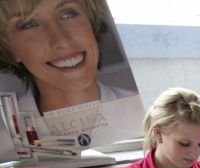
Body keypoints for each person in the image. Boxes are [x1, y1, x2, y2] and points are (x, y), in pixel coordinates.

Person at [0, 0, 136, 141]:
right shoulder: (3, 139)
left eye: (68, 14)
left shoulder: (145, 107)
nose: (62, 41)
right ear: (8, 48)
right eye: (28, 24)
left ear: (91, 23)